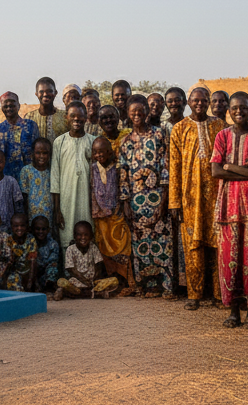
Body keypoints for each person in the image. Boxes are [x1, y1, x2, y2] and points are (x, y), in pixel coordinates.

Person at [209, 92, 248, 329]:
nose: (239, 112)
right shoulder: (222, 136)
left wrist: (231, 167)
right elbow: (215, 171)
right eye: (234, 108)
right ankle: (233, 311)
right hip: (227, 208)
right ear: (229, 110)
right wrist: (247, 168)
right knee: (229, 260)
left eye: (243, 108)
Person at [169, 87, 222, 307]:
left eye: (204, 100)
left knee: (218, 244)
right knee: (192, 245)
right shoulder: (179, 129)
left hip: (216, 196)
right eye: (195, 100)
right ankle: (194, 294)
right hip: (190, 198)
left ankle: (219, 294)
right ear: (189, 102)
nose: (200, 104)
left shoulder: (219, 126)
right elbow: (174, 166)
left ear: (209, 102)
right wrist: (175, 201)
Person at [121, 94, 173, 299]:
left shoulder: (159, 135)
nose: (137, 115)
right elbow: (123, 174)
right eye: (133, 112)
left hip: (158, 197)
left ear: (147, 112)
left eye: (140, 111)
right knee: (140, 244)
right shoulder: (125, 143)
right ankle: (144, 285)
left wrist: (166, 198)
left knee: (162, 242)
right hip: (136, 201)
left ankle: (166, 285)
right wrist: (125, 202)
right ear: (128, 114)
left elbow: (166, 169)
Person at [50, 101, 93, 248]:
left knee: (88, 237)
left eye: (80, 116)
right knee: (67, 238)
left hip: (87, 200)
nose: (76, 119)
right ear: (66, 118)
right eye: (72, 115)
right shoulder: (59, 142)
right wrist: (57, 210)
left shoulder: (93, 141)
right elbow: (55, 177)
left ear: (86, 117)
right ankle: (68, 271)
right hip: (66, 202)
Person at [89, 135, 132, 285]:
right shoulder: (93, 168)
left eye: (102, 152)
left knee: (122, 244)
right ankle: (110, 277)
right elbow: (92, 190)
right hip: (101, 217)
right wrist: (95, 211)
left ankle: (124, 279)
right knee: (104, 246)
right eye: (95, 152)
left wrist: (124, 206)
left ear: (109, 152)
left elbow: (123, 187)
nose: (98, 155)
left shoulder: (117, 168)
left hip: (116, 214)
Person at [52, 221, 118, 300]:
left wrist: (94, 279)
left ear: (91, 236)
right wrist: (84, 280)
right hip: (77, 281)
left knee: (114, 281)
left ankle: (83, 293)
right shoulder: (70, 249)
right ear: (74, 236)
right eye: (79, 235)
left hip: (93, 282)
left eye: (86, 235)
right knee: (62, 282)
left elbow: (98, 265)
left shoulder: (93, 247)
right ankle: (95, 293)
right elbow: (71, 269)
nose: (83, 238)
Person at [0, 92, 39, 181]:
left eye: (12, 105)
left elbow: (37, 152)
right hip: (7, 179)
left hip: (29, 177)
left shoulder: (31, 126)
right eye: (5, 106)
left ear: (18, 105)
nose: (9, 108)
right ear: (1, 108)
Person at [20, 138, 53, 230]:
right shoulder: (26, 171)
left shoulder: (52, 171)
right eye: (38, 153)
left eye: (45, 153)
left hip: (49, 215)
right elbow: (24, 196)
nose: (41, 156)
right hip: (31, 215)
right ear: (32, 154)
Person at [26, 77, 68, 142]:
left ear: (55, 93)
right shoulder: (29, 117)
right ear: (36, 94)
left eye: (49, 91)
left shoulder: (64, 117)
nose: (45, 94)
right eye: (41, 92)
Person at [6, 213, 38, 291]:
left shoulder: (31, 239)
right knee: (16, 286)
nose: (19, 228)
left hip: (28, 271)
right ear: (12, 227)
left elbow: (33, 262)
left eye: (22, 226)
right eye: (16, 226)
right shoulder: (8, 240)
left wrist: (30, 281)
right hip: (14, 271)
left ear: (27, 226)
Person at [31, 215, 60, 291]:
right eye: (38, 229)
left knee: (53, 268)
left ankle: (49, 289)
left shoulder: (53, 244)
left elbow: (52, 263)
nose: (40, 232)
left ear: (48, 230)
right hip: (31, 276)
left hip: (45, 276)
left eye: (43, 229)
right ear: (33, 230)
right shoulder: (30, 243)